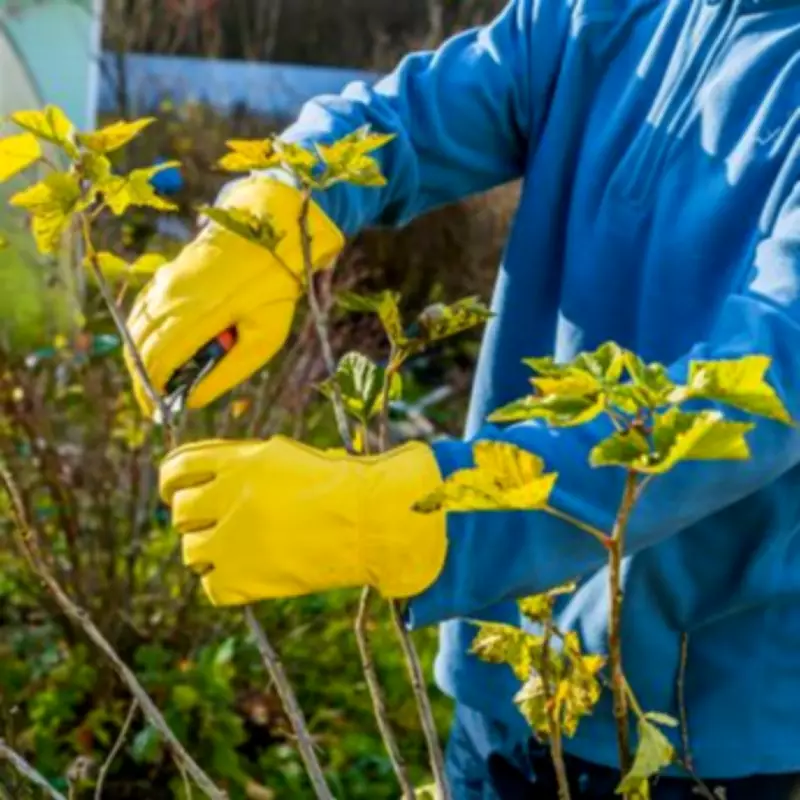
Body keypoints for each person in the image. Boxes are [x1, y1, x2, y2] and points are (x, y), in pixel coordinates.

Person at [125, 1, 800, 797]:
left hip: (700, 732)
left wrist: (425, 515)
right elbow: (415, 112)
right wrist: (280, 201)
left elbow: (757, 393)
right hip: (500, 674)